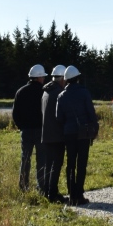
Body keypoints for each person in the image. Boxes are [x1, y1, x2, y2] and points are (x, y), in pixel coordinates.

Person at [55, 64, 99, 206]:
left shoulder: (61, 95)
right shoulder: (84, 92)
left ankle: (71, 194)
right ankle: (79, 194)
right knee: (81, 164)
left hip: (69, 132)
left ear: (67, 79)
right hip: (83, 133)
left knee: (70, 164)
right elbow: (91, 113)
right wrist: (94, 128)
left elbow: (59, 117)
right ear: (77, 78)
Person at [12, 63, 47, 192]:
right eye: (43, 77)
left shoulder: (20, 92)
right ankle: (41, 187)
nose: (44, 79)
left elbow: (15, 114)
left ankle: (23, 186)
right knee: (41, 160)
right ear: (38, 78)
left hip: (26, 131)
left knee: (25, 159)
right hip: (40, 131)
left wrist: (22, 127)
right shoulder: (44, 92)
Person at [41, 63, 66, 202]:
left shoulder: (46, 91)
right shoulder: (58, 93)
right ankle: (53, 194)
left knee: (48, 164)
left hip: (46, 134)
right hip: (57, 135)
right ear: (62, 79)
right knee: (56, 165)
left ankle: (47, 191)